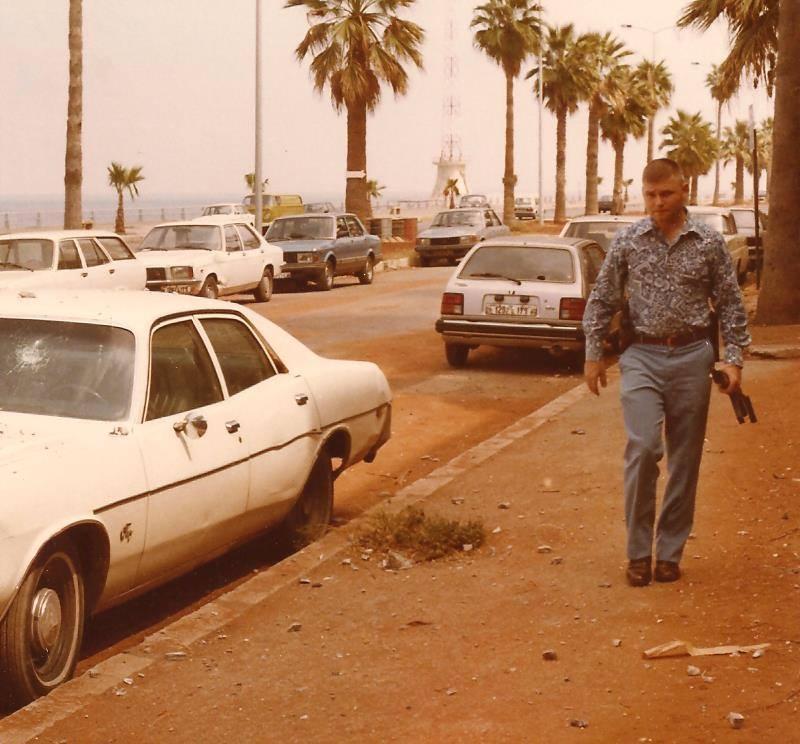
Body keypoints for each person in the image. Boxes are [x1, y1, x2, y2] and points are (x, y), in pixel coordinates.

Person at [582, 158, 750, 587]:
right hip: (641, 356)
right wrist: (593, 353)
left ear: (684, 191)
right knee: (642, 447)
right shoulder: (628, 241)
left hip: (693, 355)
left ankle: (669, 551)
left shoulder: (709, 243)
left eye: (666, 194)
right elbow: (602, 299)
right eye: (651, 195)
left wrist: (733, 360)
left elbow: (730, 304)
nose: (658, 203)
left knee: (684, 459)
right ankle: (638, 552)